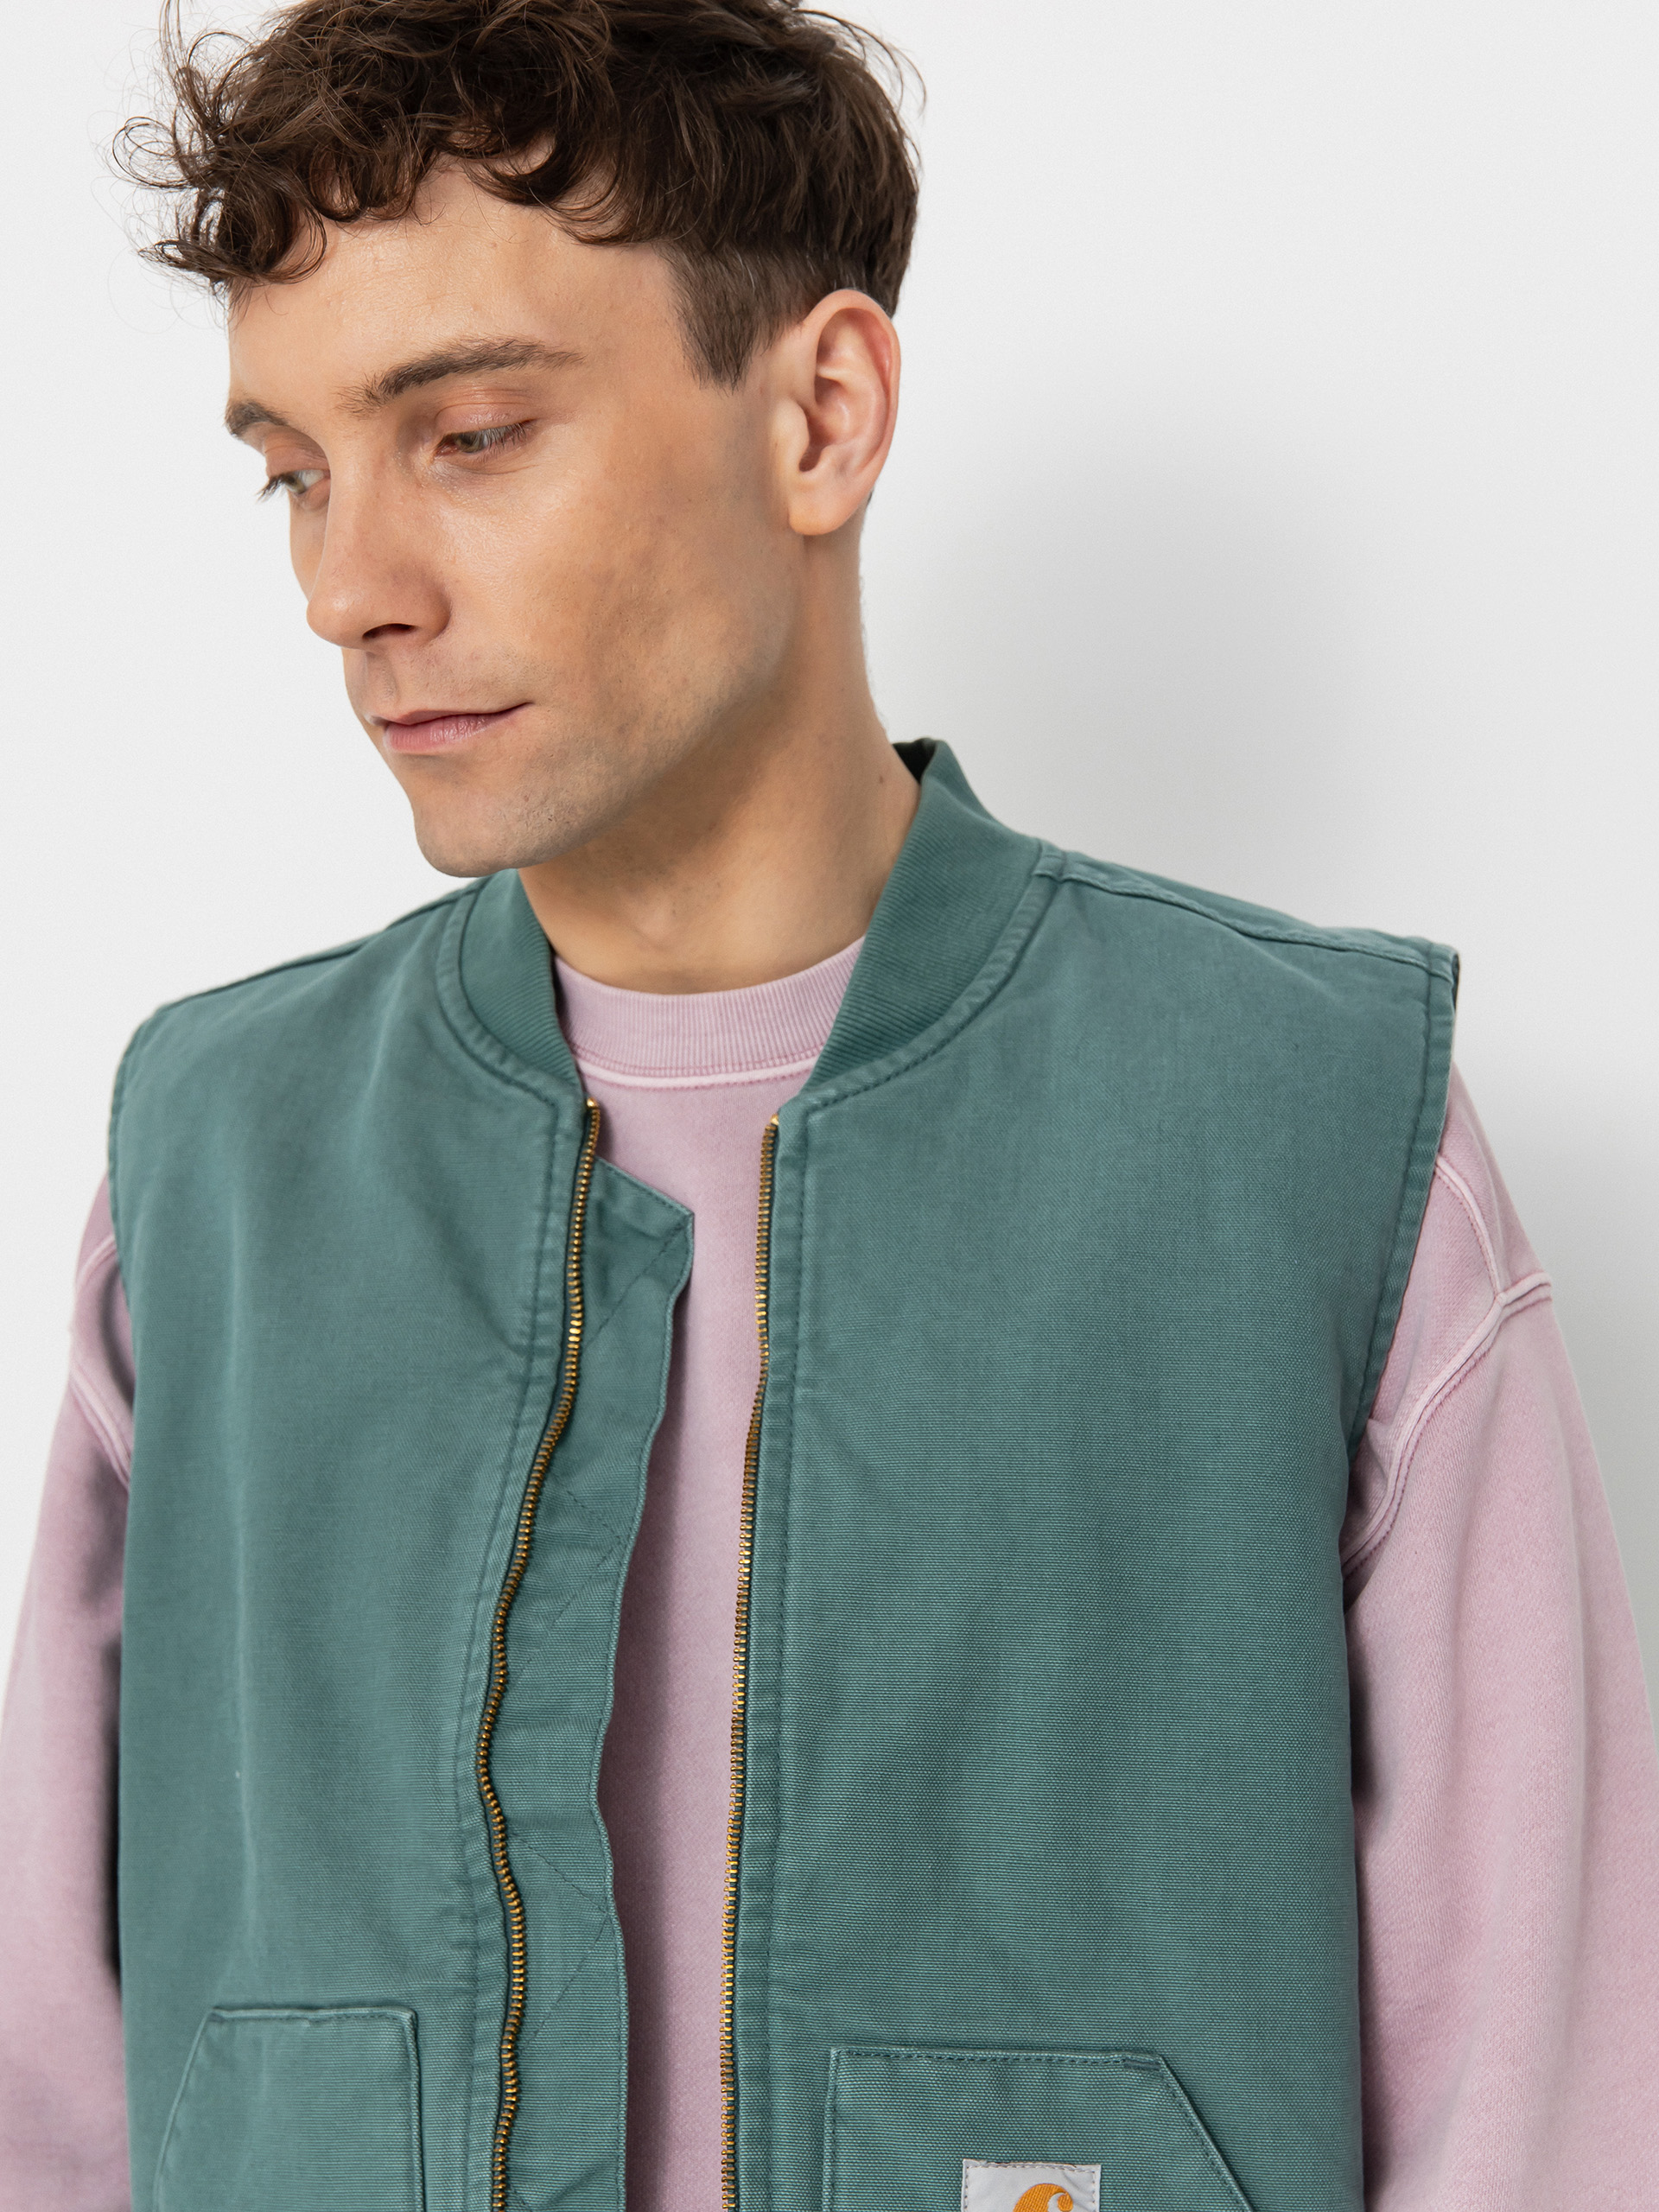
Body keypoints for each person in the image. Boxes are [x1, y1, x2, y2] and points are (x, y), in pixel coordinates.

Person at [3, 3, 1656, 2208]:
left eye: (469, 433)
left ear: (822, 414)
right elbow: (57, 2102)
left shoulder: (1317, 1143)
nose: (346, 589)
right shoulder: (212, 1174)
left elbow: (1541, 2124)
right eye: (295, 469)